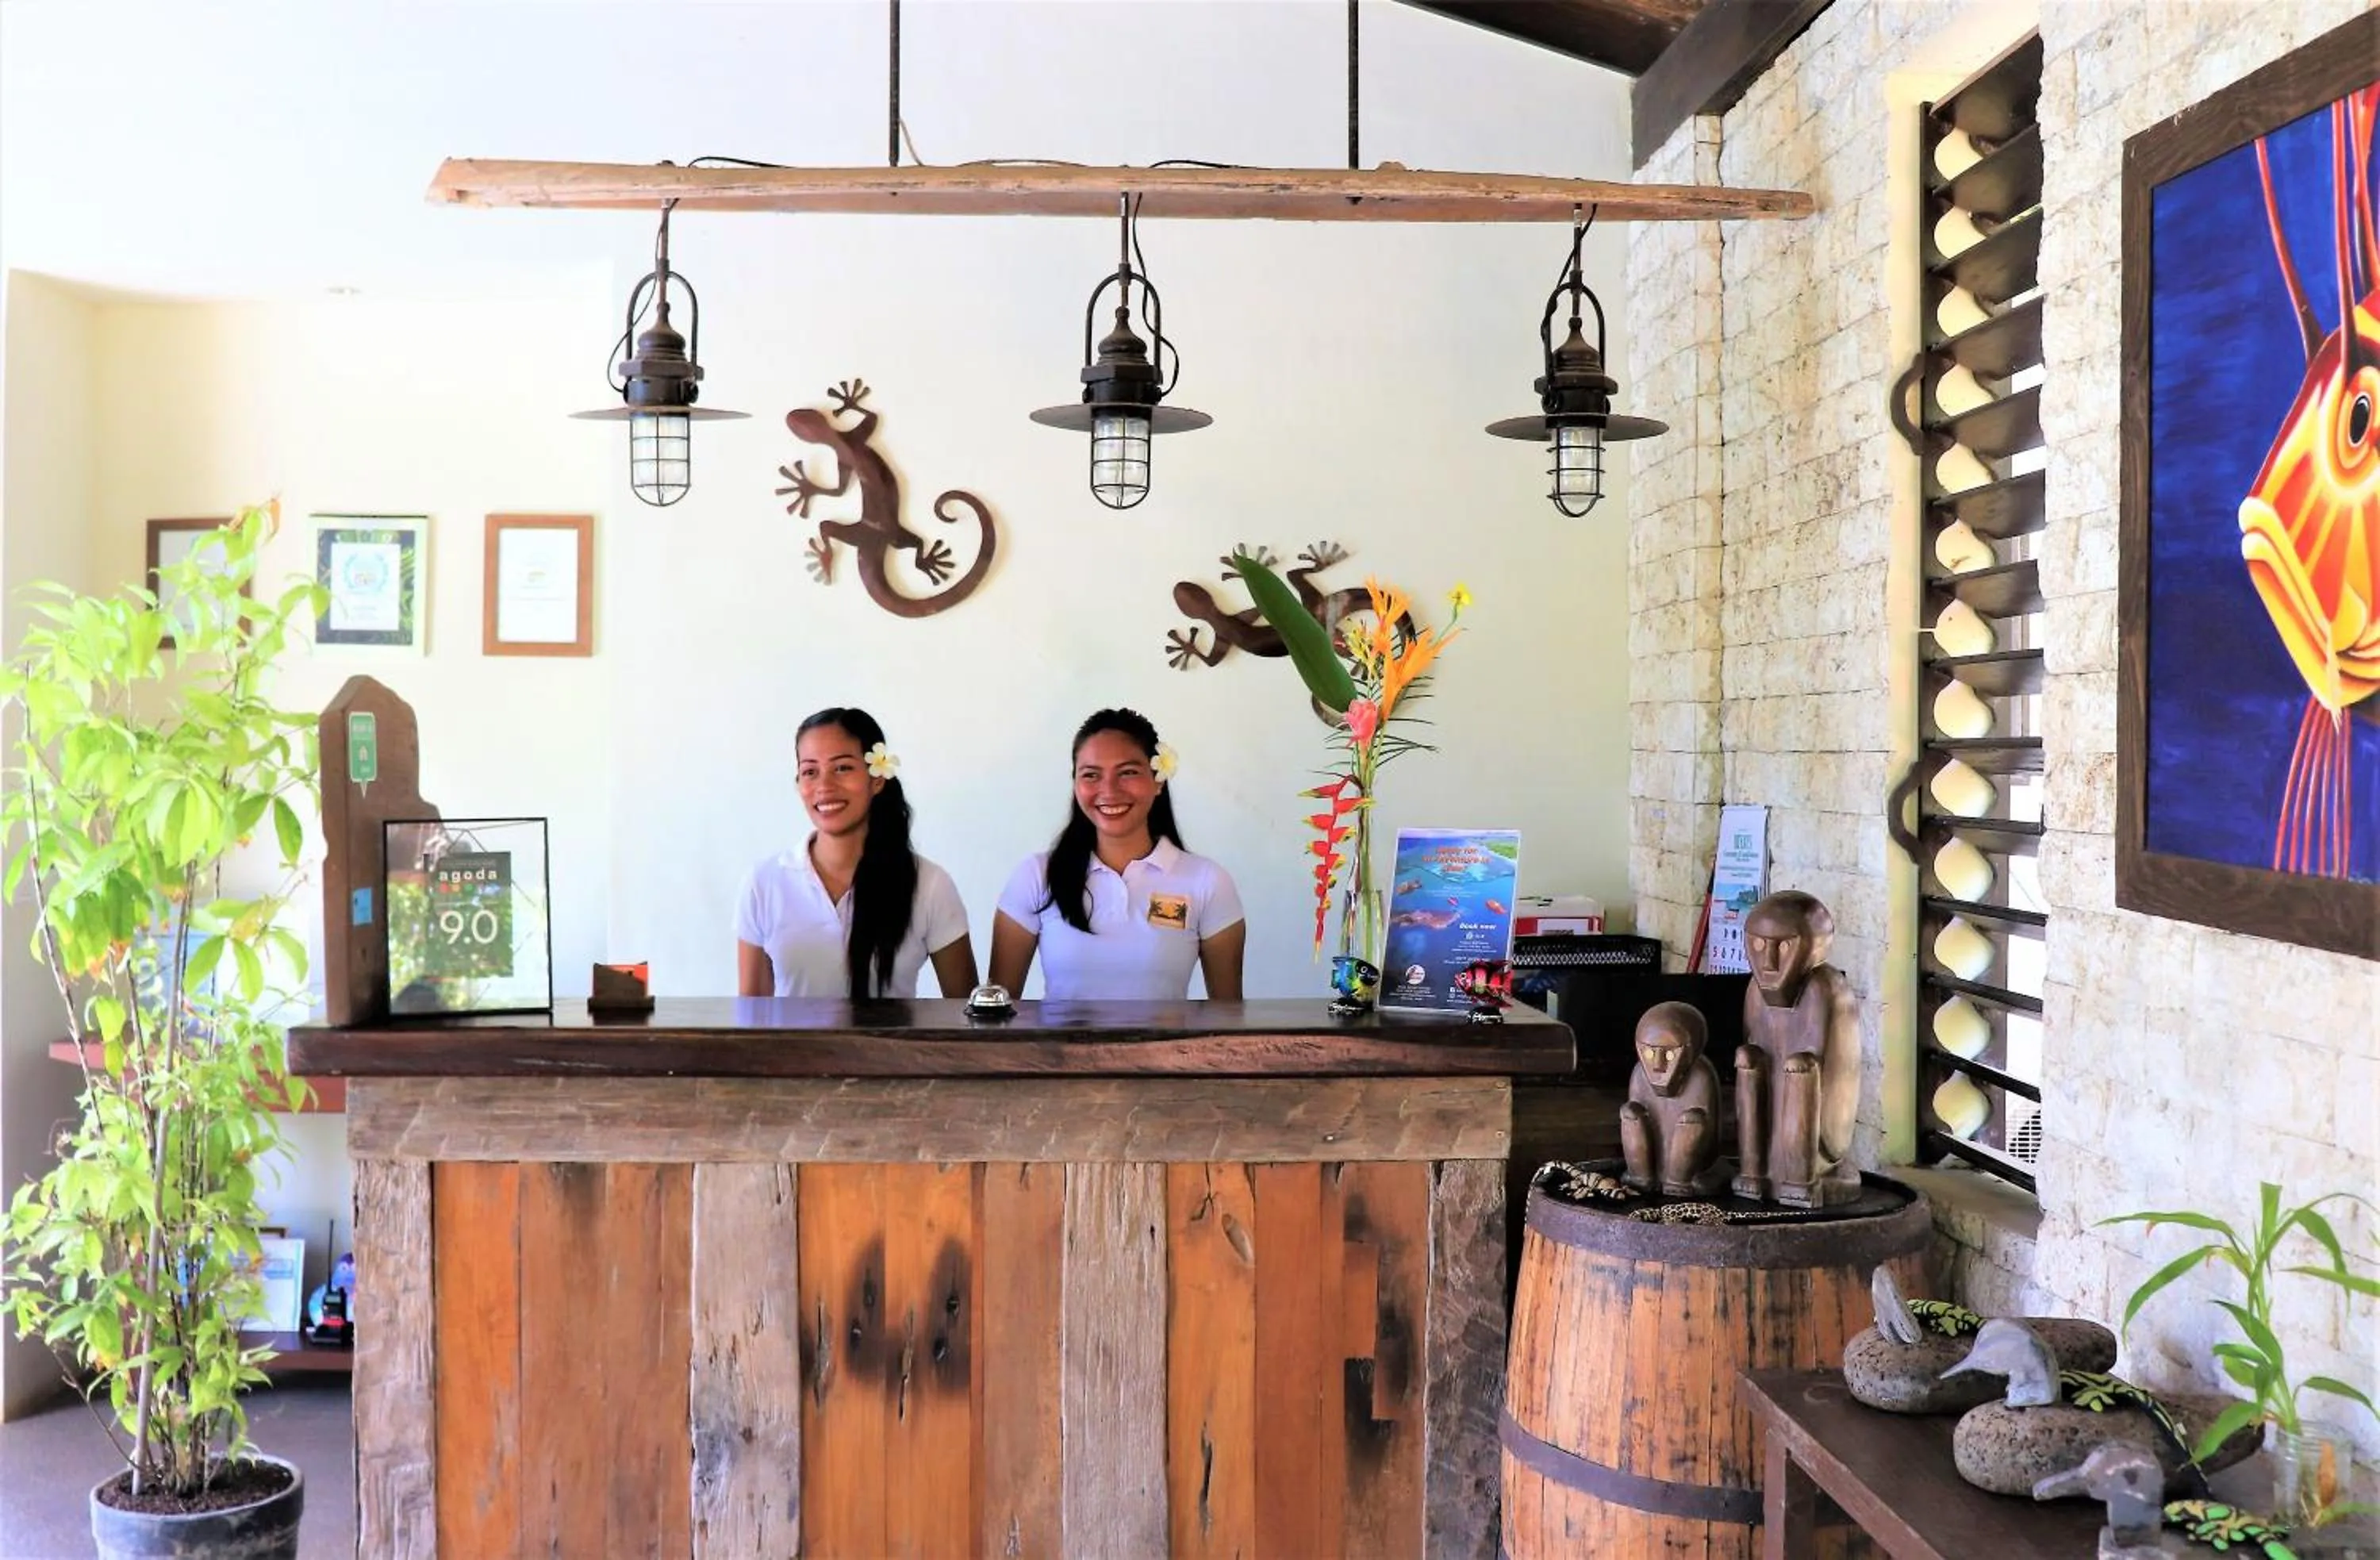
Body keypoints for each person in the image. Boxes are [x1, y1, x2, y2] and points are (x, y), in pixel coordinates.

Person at [989, 708, 1245, 1001]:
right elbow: (998, 1013)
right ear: (1075, 784)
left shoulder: (1207, 882)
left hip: (1166, 1049)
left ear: (1158, 779)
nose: (1108, 791)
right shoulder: (1036, 876)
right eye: (1091, 775)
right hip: (1058, 1049)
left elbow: (1228, 1018)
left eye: (1128, 773)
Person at [735, 707, 977, 999]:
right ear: (798, 783)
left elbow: (967, 1016)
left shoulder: (929, 884)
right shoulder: (764, 883)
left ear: (876, 779)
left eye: (842, 768)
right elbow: (752, 1019)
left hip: (892, 1048)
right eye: (810, 772)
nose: (825, 786)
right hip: (794, 1048)